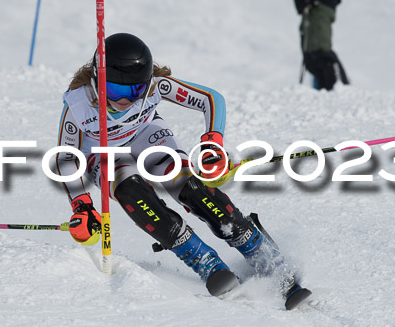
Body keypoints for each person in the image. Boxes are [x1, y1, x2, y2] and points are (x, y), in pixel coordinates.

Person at [55, 33, 312, 310]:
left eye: (136, 91)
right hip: (105, 154)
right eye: (116, 91)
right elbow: (66, 158)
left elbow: (210, 99)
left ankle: (264, 256)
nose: (126, 101)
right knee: (133, 194)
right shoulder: (78, 105)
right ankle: (204, 261)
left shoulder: (156, 86)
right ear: (97, 80)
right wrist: (82, 205)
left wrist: (212, 141)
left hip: (145, 135)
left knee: (193, 189)